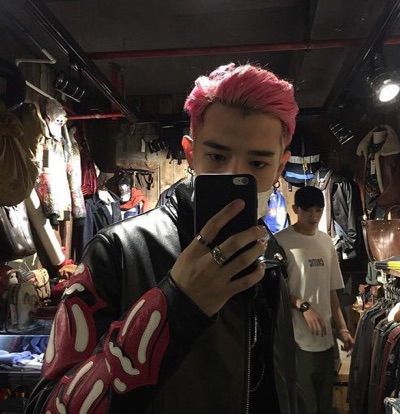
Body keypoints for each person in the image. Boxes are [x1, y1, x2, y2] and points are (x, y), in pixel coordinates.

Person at [26, 63, 299, 414]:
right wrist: (177, 305)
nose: (233, 174)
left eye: (258, 164)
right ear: (190, 153)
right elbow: (48, 406)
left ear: (280, 167)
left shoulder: (270, 256)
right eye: (217, 156)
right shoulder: (118, 252)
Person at [275, 186, 355, 414]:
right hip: (296, 340)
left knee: (325, 404)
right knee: (304, 405)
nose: (314, 216)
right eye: (308, 210)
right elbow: (274, 292)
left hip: (326, 340)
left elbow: (331, 291)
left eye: (319, 210)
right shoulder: (281, 242)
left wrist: (343, 330)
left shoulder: (326, 242)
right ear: (295, 209)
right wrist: (303, 305)